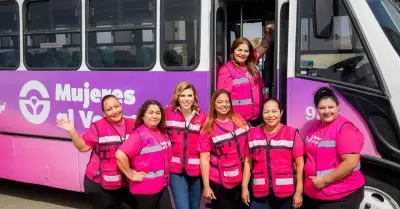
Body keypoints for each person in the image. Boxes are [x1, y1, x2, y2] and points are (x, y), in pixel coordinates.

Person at [56, 95, 136, 209]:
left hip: (125, 183)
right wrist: (72, 131)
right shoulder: (98, 126)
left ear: (121, 106)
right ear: (104, 113)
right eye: (109, 109)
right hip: (99, 184)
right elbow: (83, 147)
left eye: (116, 106)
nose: (114, 111)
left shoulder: (133, 124)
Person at [303, 87, 365, 209]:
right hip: (315, 195)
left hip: (339, 197)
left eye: (331, 107)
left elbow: (351, 163)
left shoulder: (345, 129)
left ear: (338, 107)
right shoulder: (316, 126)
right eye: (322, 108)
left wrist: (324, 181)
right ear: (317, 109)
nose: (327, 111)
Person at [241, 98, 304, 209]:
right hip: (260, 193)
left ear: (281, 112)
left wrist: (299, 192)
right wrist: (244, 187)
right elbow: (248, 162)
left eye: (274, 111)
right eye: (266, 112)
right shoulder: (252, 134)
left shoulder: (292, 133)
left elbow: (300, 165)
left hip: (285, 194)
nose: (270, 115)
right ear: (262, 114)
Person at [116, 100, 173, 209]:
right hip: (145, 189)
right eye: (151, 112)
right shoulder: (139, 134)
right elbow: (120, 155)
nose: (155, 116)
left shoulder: (161, 132)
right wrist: (131, 175)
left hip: (162, 186)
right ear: (143, 116)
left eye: (158, 113)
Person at [198, 89, 249, 209]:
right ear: (214, 105)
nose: (224, 105)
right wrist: (206, 186)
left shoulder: (240, 120)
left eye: (227, 102)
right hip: (219, 181)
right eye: (220, 102)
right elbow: (205, 159)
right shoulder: (208, 128)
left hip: (243, 177)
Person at [217, 24, 274, 127]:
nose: (242, 54)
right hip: (240, 120)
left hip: (259, 116)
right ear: (233, 51)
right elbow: (222, 98)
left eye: (246, 51)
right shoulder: (226, 70)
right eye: (239, 50)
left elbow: (264, 46)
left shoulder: (251, 62)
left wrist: (268, 33)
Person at [166, 82, 207, 209]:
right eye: (182, 95)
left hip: (196, 171)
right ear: (177, 97)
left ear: (194, 97)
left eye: (190, 95)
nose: (186, 99)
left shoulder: (203, 117)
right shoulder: (167, 114)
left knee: (195, 207)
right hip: (176, 172)